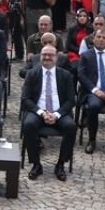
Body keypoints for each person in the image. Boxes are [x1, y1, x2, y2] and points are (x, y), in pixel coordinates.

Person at [20, 44, 77, 181]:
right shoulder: (32, 74)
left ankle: (61, 164)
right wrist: (42, 113)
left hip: (59, 112)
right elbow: (25, 99)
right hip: (38, 111)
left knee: (71, 127)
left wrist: (56, 114)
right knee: (28, 125)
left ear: (56, 57)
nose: (46, 57)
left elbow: (71, 100)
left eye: (50, 55)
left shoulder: (66, 75)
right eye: (44, 54)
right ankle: (36, 164)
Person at [77, 28, 105, 153]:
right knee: (93, 107)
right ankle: (92, 140)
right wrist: (95, 90)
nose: (101, 40)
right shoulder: (86, 56)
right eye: (99, 37)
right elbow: (81, 75)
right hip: (94, 91)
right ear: (93, 39)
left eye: (104, 38)